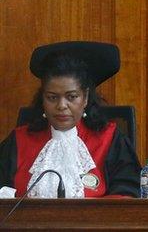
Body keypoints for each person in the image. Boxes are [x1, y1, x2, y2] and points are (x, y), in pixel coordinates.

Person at [0, 41, 140, 198]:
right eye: (52, 97)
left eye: (72, 97)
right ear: (43, 99)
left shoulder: (109, 138)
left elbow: (128, 194)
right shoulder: (19, 140)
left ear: (85, 98)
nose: (61, 106)